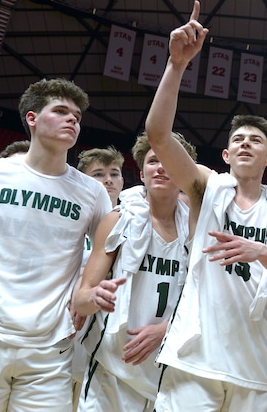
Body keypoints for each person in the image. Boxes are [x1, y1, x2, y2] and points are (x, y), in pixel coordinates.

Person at [145, 0, 267, 411]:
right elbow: (159, 136)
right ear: (226, 155)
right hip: (198, 355)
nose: (246, 143)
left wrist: (261, 252)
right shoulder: (206, 187)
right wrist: (176, 66)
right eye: (238, 140)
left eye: (256, 140)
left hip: (253, 362)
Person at [0, 78, 112, 410]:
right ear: (32, 118)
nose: (72, 119)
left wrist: (85, 286)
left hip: (50, 345)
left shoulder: (92, 192)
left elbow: (109, 250)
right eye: (60, 111)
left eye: (76, 115)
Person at [73, 132, 194, 411]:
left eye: (169, 160)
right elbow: (82, 298)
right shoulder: (118, 219)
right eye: (153, 161)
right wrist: (95, 297)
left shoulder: (197, 230)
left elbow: (206, 303)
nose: (161, 167)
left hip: (168, 365)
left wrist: (166, 330)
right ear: (141, 173)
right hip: (111, 367)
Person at [72, 146, 126, 409]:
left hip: (109, 330)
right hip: (69, 322)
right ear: (82, 180)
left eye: (114, 174)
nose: (108, 180)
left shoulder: (133, 220)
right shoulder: (73, 220)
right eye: (98, 174)